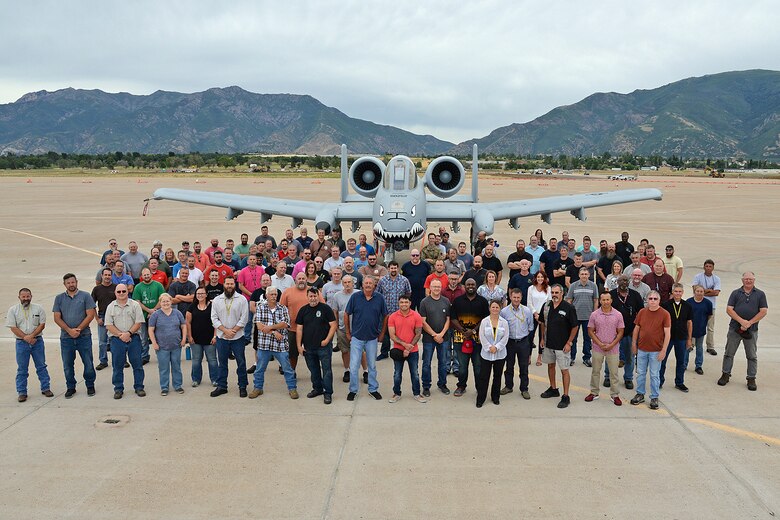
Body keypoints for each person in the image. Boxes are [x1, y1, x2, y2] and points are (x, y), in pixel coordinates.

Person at [718, 272, 768, 391]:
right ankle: (725, 374)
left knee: (751, 355)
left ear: (754, 280)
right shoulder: (735, 293)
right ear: (742, 280)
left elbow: (763, 311)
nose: (748, 281)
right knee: (729, 353)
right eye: (746, 279)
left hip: (752, 330)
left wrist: (749, 323)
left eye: (750, 279)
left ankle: (751, 378)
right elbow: (729, 309)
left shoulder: (760, 294)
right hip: (735, 329)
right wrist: (741, 321)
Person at [248, 287, 299, 398]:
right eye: (271, 294)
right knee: (260, 368)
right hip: (264, 344)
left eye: (275, 294)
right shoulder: (260, 307)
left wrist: (270, 328)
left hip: (280, 345)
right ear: (266, 295)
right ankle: (258, 388)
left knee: (287, 368)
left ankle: (292, 389)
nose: (274, 296)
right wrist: (274, 332)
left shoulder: (283, 308)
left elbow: (285, 323)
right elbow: (259, 325)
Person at [52, 273, 97, 398]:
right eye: (68, 283)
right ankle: (71, 387)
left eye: (73, 282)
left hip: (84, 336)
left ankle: (90, 385)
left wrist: (79, 329)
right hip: (66, 338)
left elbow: (90, 315)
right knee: (67, 365)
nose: (71, 285)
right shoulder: (59, 298)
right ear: (64, 284)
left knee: (88, 363)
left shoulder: (86, 296)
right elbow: (56, 317)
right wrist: (69, 330)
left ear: (76, 282)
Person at [344, 276, 388, 401]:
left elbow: (386, 315)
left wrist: (382, 333)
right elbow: (346, 314)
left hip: (372, 338)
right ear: (362, 285)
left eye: (371, 283)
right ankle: (353, 390)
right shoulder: (355, 297)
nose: (368, 285)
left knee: (372, 366)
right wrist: (348, 333)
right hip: (357, 337)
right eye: (366, 283)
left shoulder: (379, 298)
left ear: (374, 285)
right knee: (353, 366)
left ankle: (373, 389)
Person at [7, 288, 52, 402]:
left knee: (41, 366)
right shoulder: (13, 310)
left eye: (28, 296)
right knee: (22, 369)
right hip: (21, 343)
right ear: (19, 297)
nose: (26, 299)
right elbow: (13, 327)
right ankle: (22, 392)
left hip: (37, 342)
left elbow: (42, 324)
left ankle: (46, 388)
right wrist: (25, 337)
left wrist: (31, 336)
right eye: (23, 297)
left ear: (31, 296)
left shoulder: (38, 308)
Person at [538, 284, 578, 409]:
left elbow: (575, 326)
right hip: (549, 343)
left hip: (562, 346)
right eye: (553, 292)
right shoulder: (546, 306)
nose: (554, 295)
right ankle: (553, 389)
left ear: (562, 293)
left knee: (564, 370)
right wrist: (542, 339)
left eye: (557, 292)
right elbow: (542, 323)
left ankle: (566, 396)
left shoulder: (569, 307)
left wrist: (569, 343)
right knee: (550, 366)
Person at [630, 290, 671, 410]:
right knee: (640, 373)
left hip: (656, 351)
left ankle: (654, 397)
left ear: (659, 300)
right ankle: (640, 394)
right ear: (647, 300)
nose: (652, 301)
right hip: (642, 349)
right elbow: (636, 329)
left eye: (655, 299)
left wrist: (664, 350)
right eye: (650, 298)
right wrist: (634, 343)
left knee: (654, 374)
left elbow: (667, 334)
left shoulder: (665, 314)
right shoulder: (642, 312)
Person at [210, 276, 250, 397]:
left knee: (241, 363)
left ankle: (242, 386)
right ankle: (222, 386)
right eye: (227, 284)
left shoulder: (242, 299)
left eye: (231, 284)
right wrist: (225, 331)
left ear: (235, 285)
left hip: (238, 337)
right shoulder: (217, 300)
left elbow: (244, 318)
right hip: (222, 338)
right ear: (224, 285)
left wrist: (233, 331)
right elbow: (214, 318)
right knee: (222, 363)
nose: (229, 286)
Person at [104, 283, 145, 399]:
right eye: (119, 292)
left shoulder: (135, 305)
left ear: (128, 292)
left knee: (137, 364)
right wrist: (121, 335)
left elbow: (139, 322)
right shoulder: (110, 307)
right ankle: (118, 389)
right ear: (115, 293)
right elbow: (108, 325)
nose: (121, 293)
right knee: (117, 366)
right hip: (117, 340)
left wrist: (129, 333)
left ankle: (139, 387)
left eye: (124, 291)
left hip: (134, 338)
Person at [450, 278, 490, 397]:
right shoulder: (457, 301)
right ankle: (461, 386)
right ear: (464, 286)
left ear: (476, 286)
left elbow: (485, 319)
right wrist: (464, 331)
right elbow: (453, 318)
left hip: (477, 339)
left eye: (473, 284)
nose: (470, 286)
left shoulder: (483, 301)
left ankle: (479, 388)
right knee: (462, 366)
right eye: (468, 284)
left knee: (478, 366)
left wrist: (473, 331)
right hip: (460, 338)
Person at [585, 292, 625, 405]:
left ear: (611, 300)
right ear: (600, 301)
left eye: (608, 300)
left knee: (614, 373)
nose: (606, 302)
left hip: (613, 349)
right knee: (595, 371)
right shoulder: (595, 314)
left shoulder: (618, 315)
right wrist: (599, 343)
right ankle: (594, 392)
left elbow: (620, 331)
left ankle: (615, 395)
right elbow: (590, 330)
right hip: (598, 348)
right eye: (603, 300)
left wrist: (612, 344)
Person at [386, 294, 427, 403]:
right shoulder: (393, 317)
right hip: (398, 350)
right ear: (398, 303)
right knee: (397, 374)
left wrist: (409, 348)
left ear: (410, 303)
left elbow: (418, 333)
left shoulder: (416, 316)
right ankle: (397, 393)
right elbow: (392, 335)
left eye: (406, 302)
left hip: (413, 350)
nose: (404, 304)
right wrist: (404, 345)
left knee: (415, 373)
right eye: (401, 302)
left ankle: (417, 393)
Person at [607, 275, 644, 389]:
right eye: (621, 280)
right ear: (617, 282)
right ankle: (608, 377)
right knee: (610, 356)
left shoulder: (635, 295)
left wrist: (637, 329)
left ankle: (628, 378)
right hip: (612, 333)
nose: (624, 282)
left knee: (630, 357)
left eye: (626, 281)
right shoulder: (611, 295)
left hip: (629, 332)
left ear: (629, 282)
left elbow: (641, 312)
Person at [499, 288, 535, 400]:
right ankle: (508, 386)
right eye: (514, 297)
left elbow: (530, 327)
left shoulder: (527, 311)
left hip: (523, 342)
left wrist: (523, 337)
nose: (516, 299)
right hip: (509, 342)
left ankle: (524, 388)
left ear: (521, 298)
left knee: (524, 367)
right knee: (509, 366)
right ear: (510, 297)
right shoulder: (504, 312)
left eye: (518, 297)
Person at [418, 279, 451, 397]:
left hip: (444, 338)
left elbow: (448, 319)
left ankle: (442, 384)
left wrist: (441, 334)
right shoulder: (424, 302)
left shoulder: (446, 301)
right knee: (426, 363)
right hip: (428, 339)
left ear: (441, 288)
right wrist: (434, 335)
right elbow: (423, 322)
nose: (436, 289)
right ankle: (426, 386)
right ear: (430, 288)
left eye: (438, 287)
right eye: (434, 287)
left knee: (443, 362)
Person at [148, 294, 186, 395]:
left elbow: (183, 326)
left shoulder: (177, 313)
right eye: (163, 301)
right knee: (163, 368)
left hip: (176, 345)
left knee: (176, 366)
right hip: (161, 347)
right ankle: (164, 387)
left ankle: (178, 385)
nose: (165, 303)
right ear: (160, 303)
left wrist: (183, 339)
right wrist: (154, 343)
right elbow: (151, 330)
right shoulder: (155, 315)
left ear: (171, 302)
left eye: (167, 301)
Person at [475, 300, 509, 407]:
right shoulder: (484, 321)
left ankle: (495, 397)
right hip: (486, 353)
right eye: (493, 307)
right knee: (484, 377)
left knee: (497, 376)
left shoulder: (504, 322)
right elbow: (482, 336)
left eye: (497, 307)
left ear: (500, 309)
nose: (495, 309)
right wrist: (489, 347)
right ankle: (481, 399)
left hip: (500, 354)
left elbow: (506, 337)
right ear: (489, 308)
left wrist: (497, 347)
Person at [660, 283, 693, 392]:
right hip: (668, 338)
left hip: (681, 337)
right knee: (662, 360)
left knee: (681, 361)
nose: (678, 293)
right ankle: (659, 381)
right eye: (676, 291)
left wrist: (689, 339)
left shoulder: (687, 306)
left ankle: (679, 382)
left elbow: (689, 323)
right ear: (672, 292)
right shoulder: (665, 305)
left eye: (680, 291)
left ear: (682, 292)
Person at [376, 261, 412, 359]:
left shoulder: (404, 280)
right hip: (386, 312)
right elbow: (378, 294)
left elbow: (408, 293)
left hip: (400, 312)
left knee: (400, 332)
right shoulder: (382, 281)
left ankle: (401, 350)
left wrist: (405, 307)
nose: (393, 270)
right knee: (386, 333)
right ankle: (384, 352)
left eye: (395, 268)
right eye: (391, 268)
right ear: (388, 269)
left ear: (398, 269)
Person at [132, 267, 166, 364]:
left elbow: (162, 299)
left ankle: (161, 356)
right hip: (143, 316)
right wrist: (149, 311)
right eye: (144, 275)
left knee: (158, 337)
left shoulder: (158, 285)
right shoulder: (138, 287)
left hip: (158, 315)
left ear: (151, 275)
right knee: (144, 338)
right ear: (141, 276)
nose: (146, 276)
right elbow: (137, 302)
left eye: (148, 274)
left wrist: (154, 311)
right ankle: (144, 356)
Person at [566, 267, 598, 366]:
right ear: (579, 275)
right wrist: (569, 314)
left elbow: (596, 300)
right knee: (573, 338)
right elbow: (569, 300)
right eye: (582, 274)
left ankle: (587, 357)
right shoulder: (573, 286)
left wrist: (595, 314)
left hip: (588, 317)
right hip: (575, 317)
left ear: (589, 275)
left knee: (588, 338)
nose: (584, 276)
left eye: (586, 274)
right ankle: (571, 357)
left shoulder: (593, 286)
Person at [187, 287, 218, 387]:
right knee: (196, 360)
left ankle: (215, 379)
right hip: (195, 339)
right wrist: (189, 336)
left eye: (202, 293)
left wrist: (215, 336)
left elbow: (216, 322)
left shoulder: (212, 306)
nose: (200, 295)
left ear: (206, 294)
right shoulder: (192, 307)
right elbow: (187, 323)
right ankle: (196, 379)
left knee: (212, 360)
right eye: (198, 293)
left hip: (210, 339)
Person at [692, 259, 721, 356]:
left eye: (710, 266)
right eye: (706, 266)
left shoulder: (716, 279)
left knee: (710, 327)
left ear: (713, 268)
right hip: (698, 304)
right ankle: (692, 344)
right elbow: (695, 290)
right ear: (704, 267)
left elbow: (716, 293)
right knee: (694, 324)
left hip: (711, 306)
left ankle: (710, 346)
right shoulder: (698, 277)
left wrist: (703, 291)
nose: (708, 268)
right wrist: (709, 291)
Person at [91, 268, 117, 371]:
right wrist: (97, 318)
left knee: (116, 340)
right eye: (105, 275)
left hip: (114, 318)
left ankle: (119, 360)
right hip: (102, 317)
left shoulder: (116, 288)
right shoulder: (97, 289)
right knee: (102, 342)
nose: (107, 277)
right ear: (102, 276)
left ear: (111, 276)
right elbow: (91, 305)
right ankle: (103, 361)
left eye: (109, 275)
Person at [687, 285, 713, 375]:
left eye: (701, 291)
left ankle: (698, 366)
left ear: (704, 292)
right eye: (697, 291)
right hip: (689, 329)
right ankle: (684, 365)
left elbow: (709, 315)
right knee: (687, 347)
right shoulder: (689, 302)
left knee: (699, 348)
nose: (699, 293)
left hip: (700, 328)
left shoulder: (708, 303)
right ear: (694, 292)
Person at [526, 270, 551, 347]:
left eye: (542, 277)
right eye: (538, 277)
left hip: (544, 315)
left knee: (542, 336)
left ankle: (540, 356)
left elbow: (549, 302)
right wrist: (535, 314)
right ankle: (528, 356)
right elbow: (529, 303)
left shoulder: (548, 288)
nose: (540, 279)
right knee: (530, 336)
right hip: (533, 315)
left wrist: (542, 315)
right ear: (535, 278)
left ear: (545, 278)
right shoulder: (531, 288)